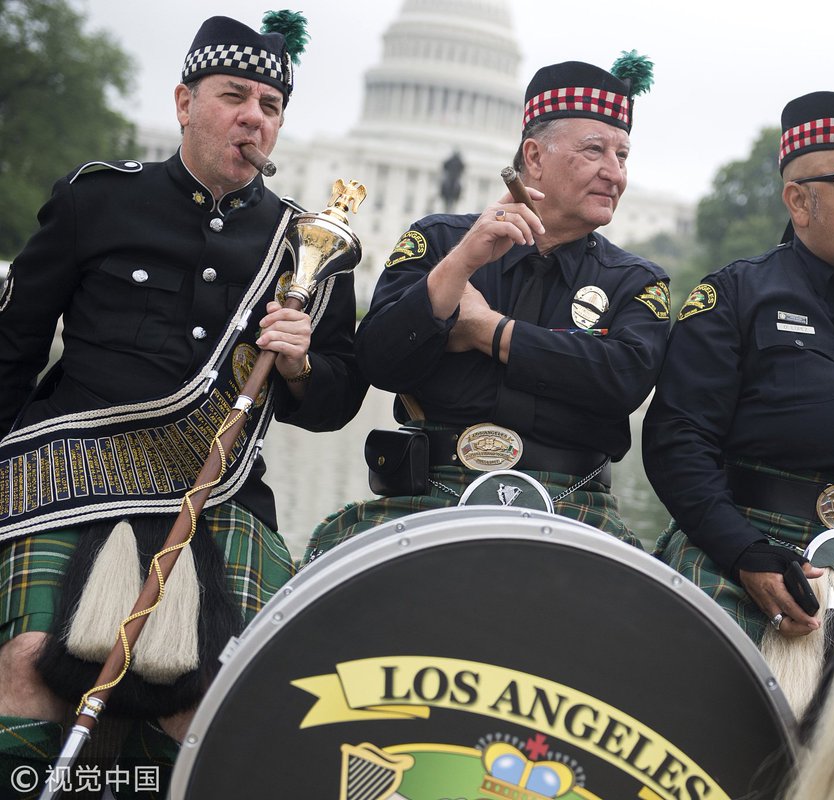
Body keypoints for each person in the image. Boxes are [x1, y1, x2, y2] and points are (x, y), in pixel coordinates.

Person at [0, 11, 365, 786]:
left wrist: (299, 365)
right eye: (235, 95)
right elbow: (13, 350)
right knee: (26, 672)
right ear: (182, 102)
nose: (253, 118)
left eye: (270, 107)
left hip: (220, 491)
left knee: (216, 704)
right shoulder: (94, 201)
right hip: (66, 483)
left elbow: (335, 403)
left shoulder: (313, 248)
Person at [305, 55, 669, 557]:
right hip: (430, 495)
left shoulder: (635, 281)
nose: (615, 173)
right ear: (534, 158)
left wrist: (487, 330)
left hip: (573, 505)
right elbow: (378, 361)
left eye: (623, 156)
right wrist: (457, 270)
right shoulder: (438, 242)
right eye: (594, 151)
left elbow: (622, 380)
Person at [642, 61, 834, 648]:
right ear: (799, 202)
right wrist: (743, 552)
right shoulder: (735, 294)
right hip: (761, 557)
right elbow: (678, 441)